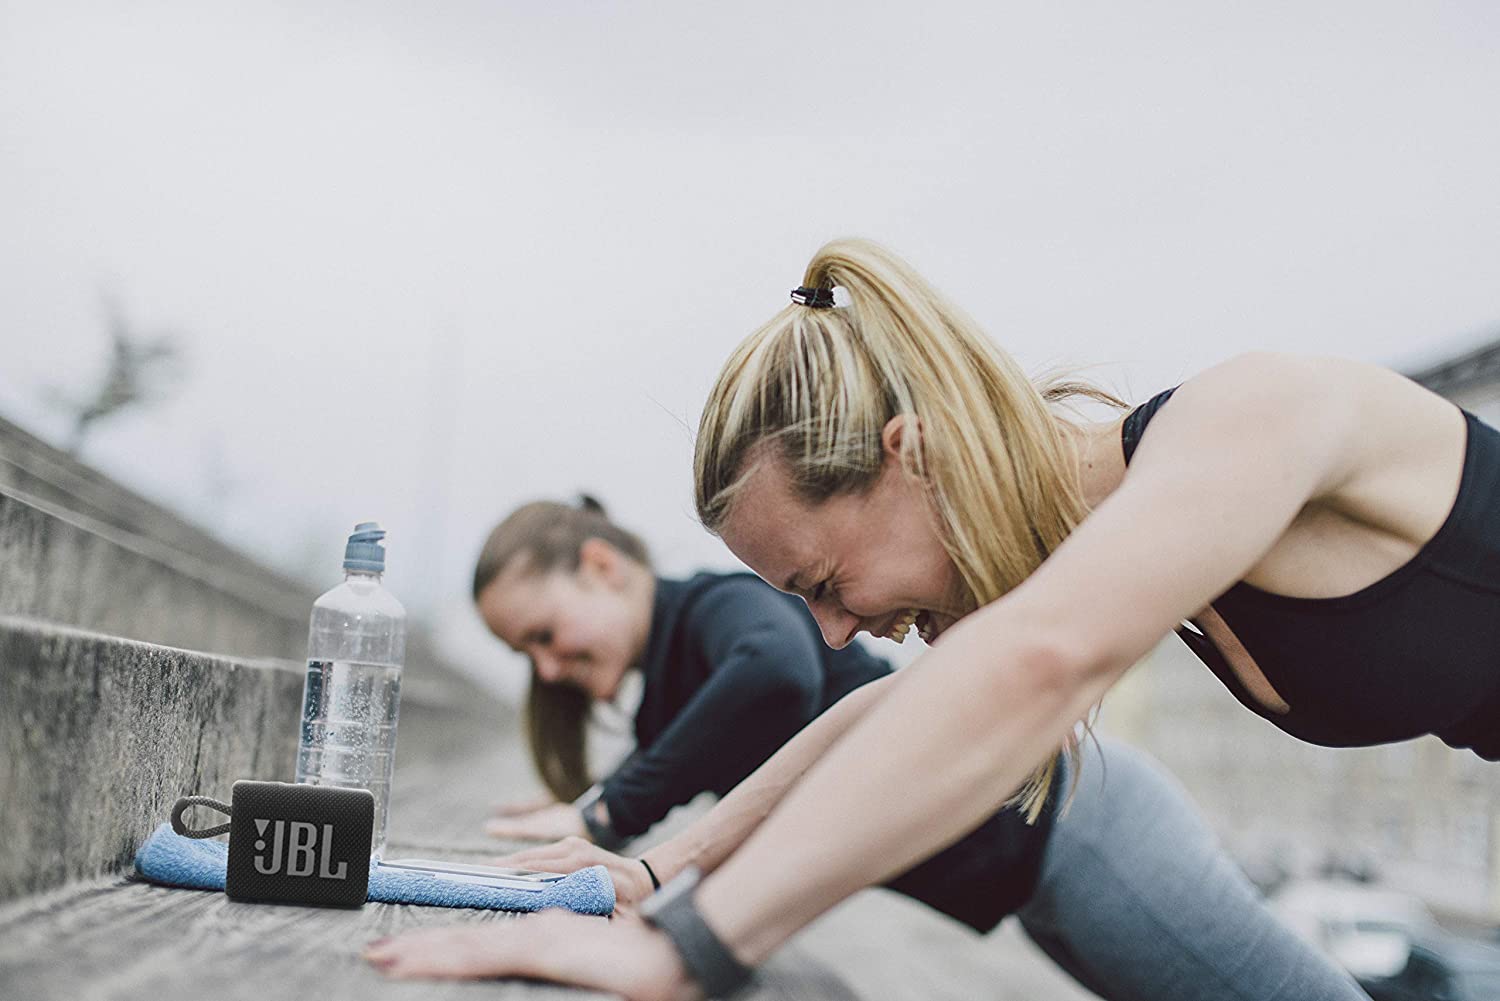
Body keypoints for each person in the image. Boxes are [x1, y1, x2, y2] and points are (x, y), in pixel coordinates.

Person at [363, 235, 1498, 997]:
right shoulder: (1111, 538)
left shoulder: (1255, 416)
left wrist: (688, 949)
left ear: (911, 454)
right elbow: (893, 712)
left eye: (822, 581)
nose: (832, 633)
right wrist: (662, 874)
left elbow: (1037, 663)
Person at [368, 495, 1368, 999]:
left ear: (601, 566)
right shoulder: (670, 690)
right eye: (526, 654)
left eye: (545, 632)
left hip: (1085, 835)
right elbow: (797, 777)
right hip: (1037, 887)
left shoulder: (714, 610)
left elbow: (778, 676)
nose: (547, 666)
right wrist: (626, 856)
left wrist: (609, 812)